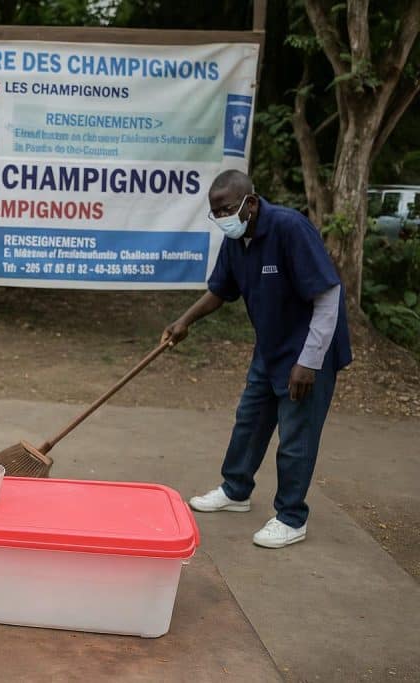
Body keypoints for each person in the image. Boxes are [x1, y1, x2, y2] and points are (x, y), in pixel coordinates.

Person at [161, 170, 351, 549]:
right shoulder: (238, 240)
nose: (221, 217)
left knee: (295, 437)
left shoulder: (289, 228)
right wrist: (184, 322)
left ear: (251, 202)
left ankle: (291, 517)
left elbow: (329, 295)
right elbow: (220, 291)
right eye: (215, 212)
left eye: (227, 208)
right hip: (271, 348)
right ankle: (236, 490)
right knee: (249, 420)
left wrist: (310, 361)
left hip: (309, 350)